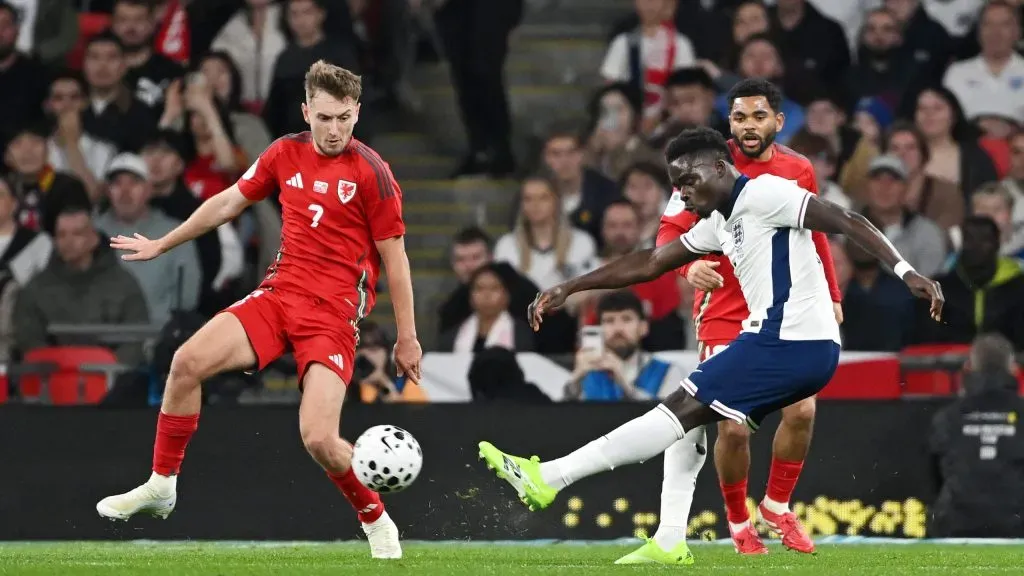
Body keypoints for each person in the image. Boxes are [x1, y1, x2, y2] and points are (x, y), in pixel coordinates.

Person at [478, 126, 943, 566]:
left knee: (678, 410)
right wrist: (572, 287)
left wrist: (907, 273)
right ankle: (670, 539)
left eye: (687, 181)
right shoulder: (720, 222)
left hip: (791, 342)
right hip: (779, 343)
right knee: (689, 420)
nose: (682, 193)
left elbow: (847, 220)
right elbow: (652, 261)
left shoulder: (766, 193)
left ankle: (549, 478)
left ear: (719, 167)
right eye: (676, 185)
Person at [94, 60, 423, 561]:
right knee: (186, 363)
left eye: (344, 118)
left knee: (318, 438)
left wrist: (407, 336)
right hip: (279, 295)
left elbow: (395, 260)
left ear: (356, 113)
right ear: (306, 112)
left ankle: (376, 518)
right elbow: (228, 203)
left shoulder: (373, 174)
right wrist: (163, 243)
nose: (335, 130)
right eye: (324, 118)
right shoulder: (284, 152)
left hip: (332, 316)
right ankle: (162, 484)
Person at [644, 78, 843, 560]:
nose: (748, 126)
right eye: (739, 117)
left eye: (758, 116)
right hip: (724, 308)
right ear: (729, 122)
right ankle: (738, 523)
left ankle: (776, 506)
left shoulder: (798, 168)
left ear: (778, 120)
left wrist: (832, 294)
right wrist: (689, 267)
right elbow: (669, 231)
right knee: (732, 426)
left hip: (784, 308)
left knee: (803, 411)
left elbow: (814, 233)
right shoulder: (705, 164)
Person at [928, 332, 1024, 538]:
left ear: (968, 368)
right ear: (1015, 370)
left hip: (957, 525)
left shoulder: (948, 417)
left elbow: (934, 477)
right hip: (1016, 526)